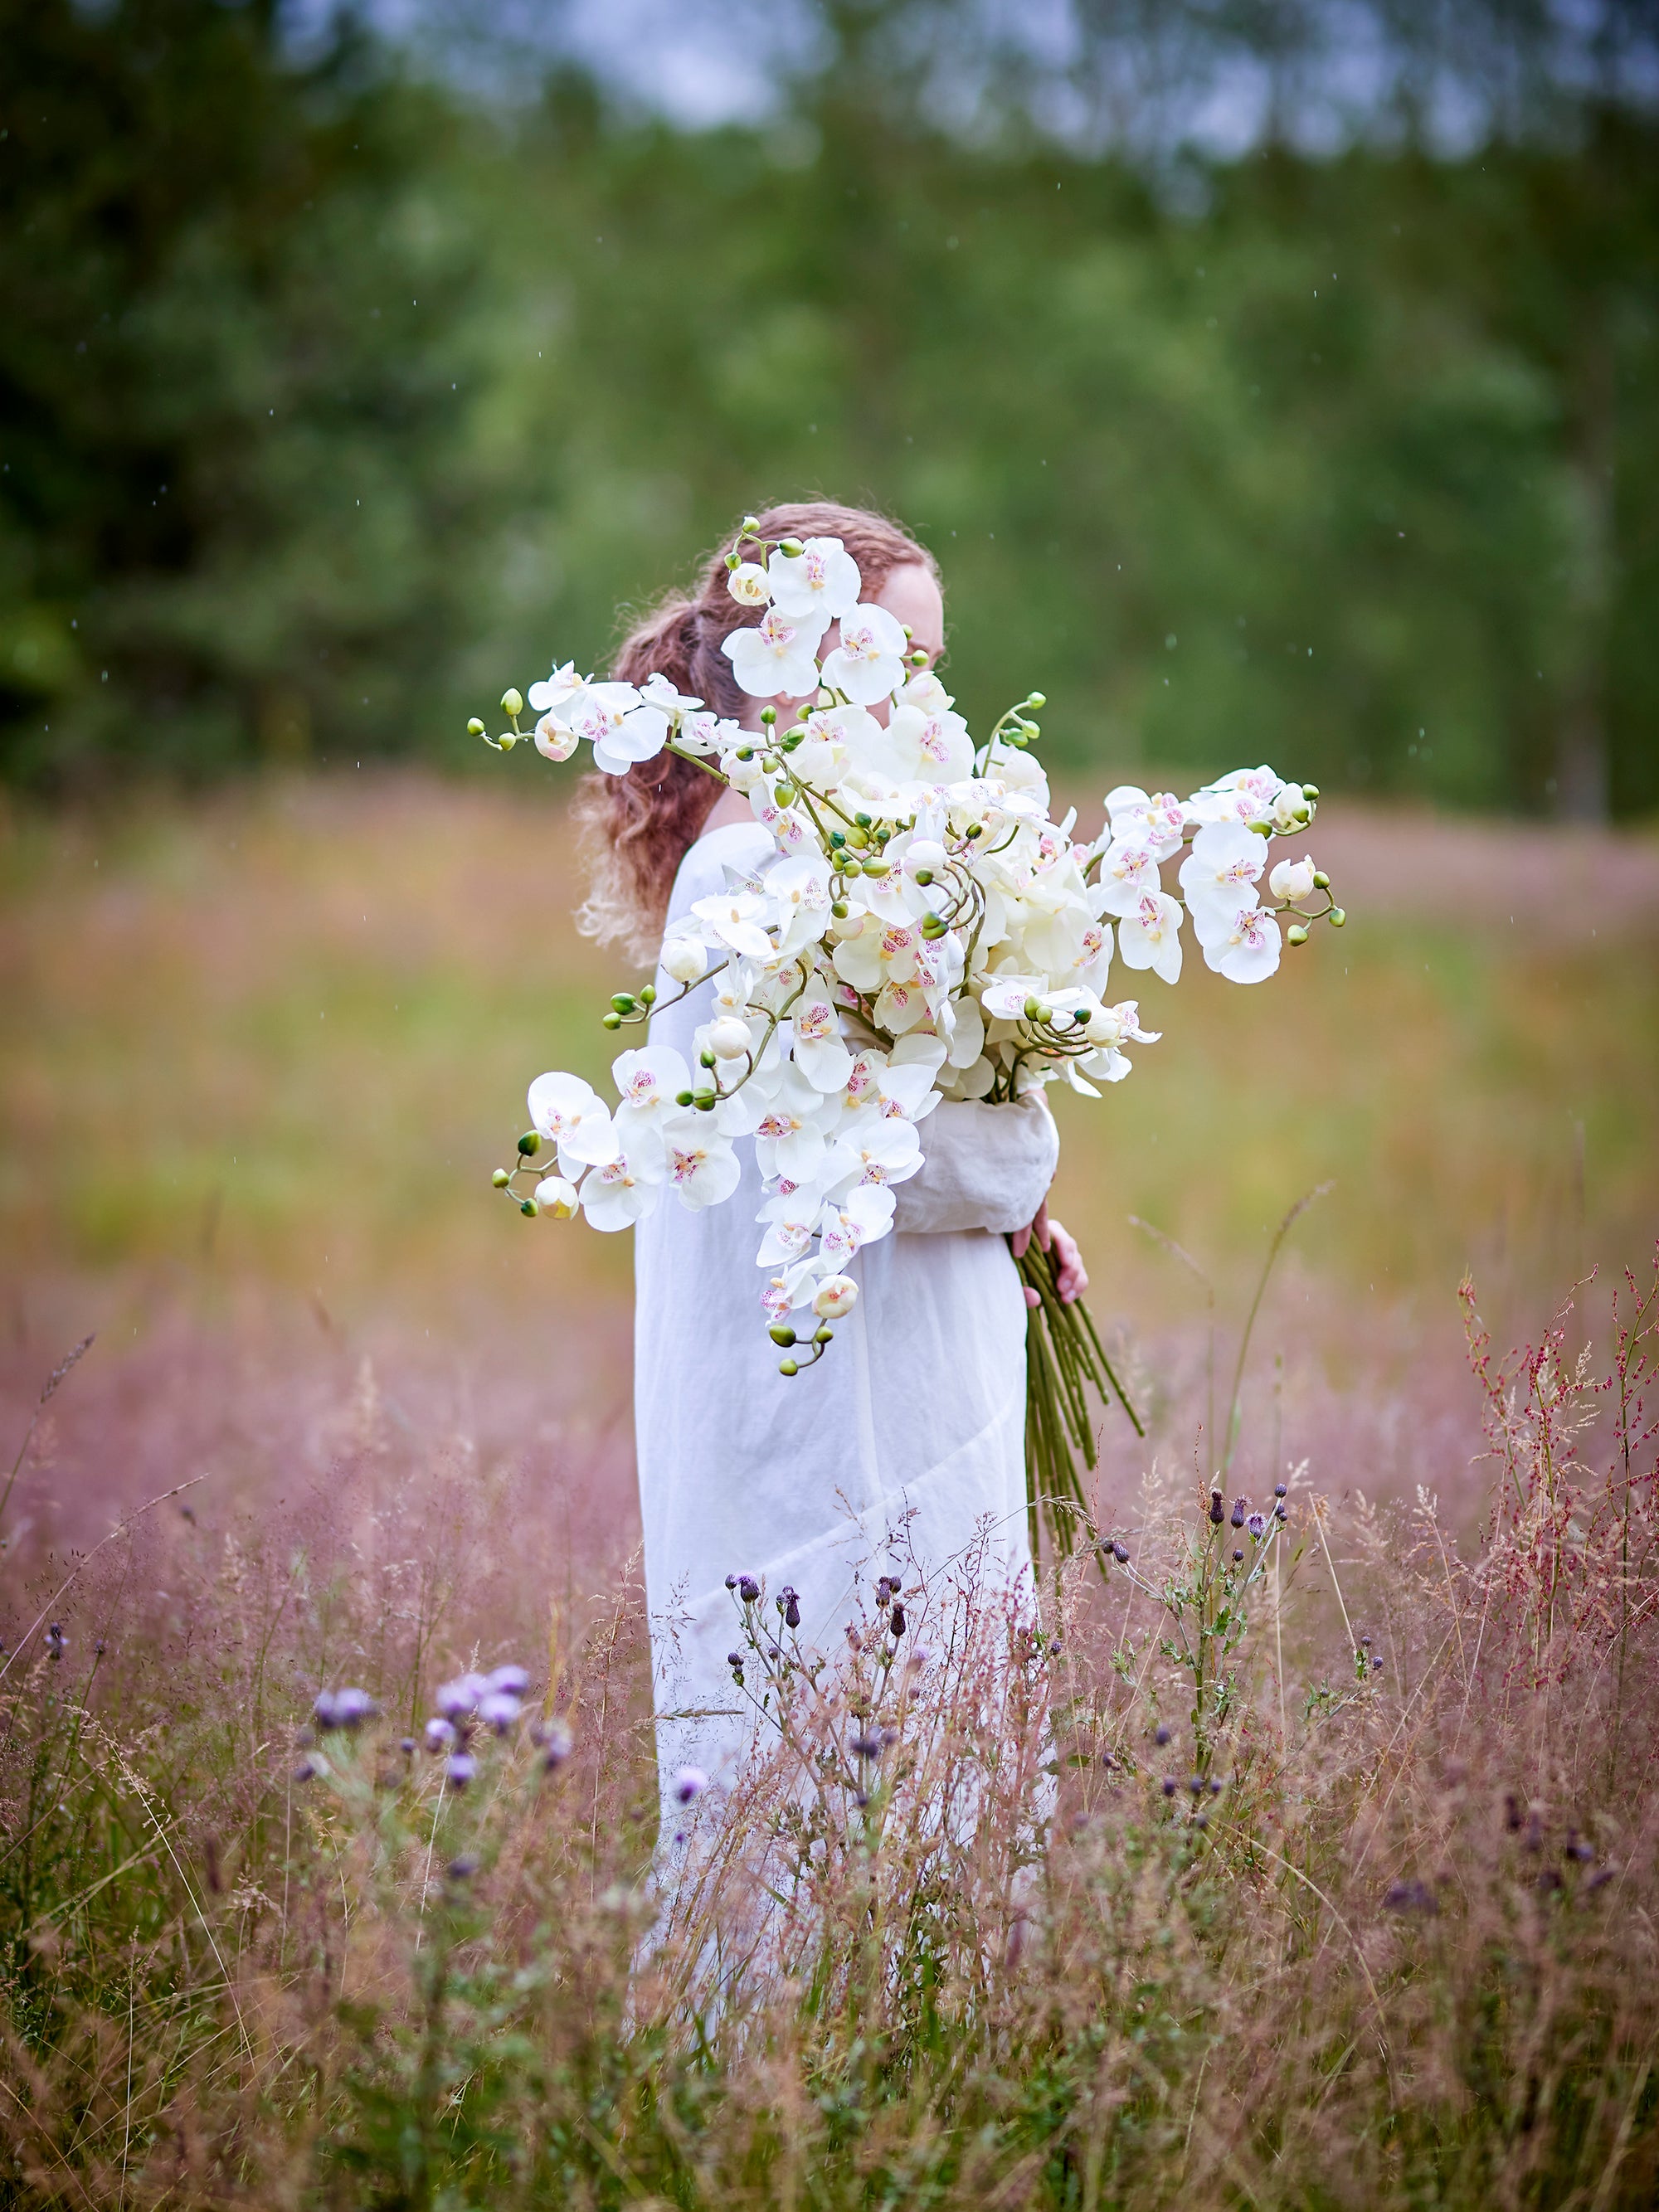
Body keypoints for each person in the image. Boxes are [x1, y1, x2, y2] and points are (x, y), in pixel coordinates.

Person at [572, 501, 1087, 1853]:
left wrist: (1013, 1188)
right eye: (899, 667)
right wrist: (1018, 1153)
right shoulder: (753, 877)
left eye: (936, 669)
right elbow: (866, 1152)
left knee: (918, 1781)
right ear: (796, 666)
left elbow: (889, 1130)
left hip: (900, 1377)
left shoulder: (821, 864)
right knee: (838, 1797)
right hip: (835, 1424)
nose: (928, 705)